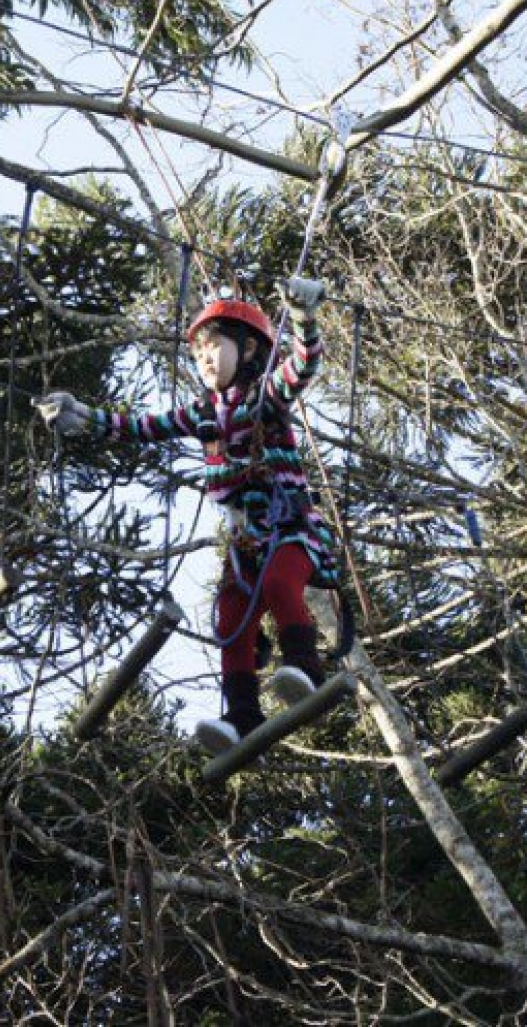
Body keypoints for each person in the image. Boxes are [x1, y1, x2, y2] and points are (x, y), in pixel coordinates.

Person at [37, 278, 339, 753]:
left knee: (282, 585)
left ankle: (304, 666)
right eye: (199, 353)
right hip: (245, 542)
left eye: (215, 347)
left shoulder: (266, 394)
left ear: (248, 350)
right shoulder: (202, 413)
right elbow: (141, 427)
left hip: (290, 527)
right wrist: (85, 417)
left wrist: (303, 316)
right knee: (230, 617)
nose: (205, 359)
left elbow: (303, 366)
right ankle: (242, 717)